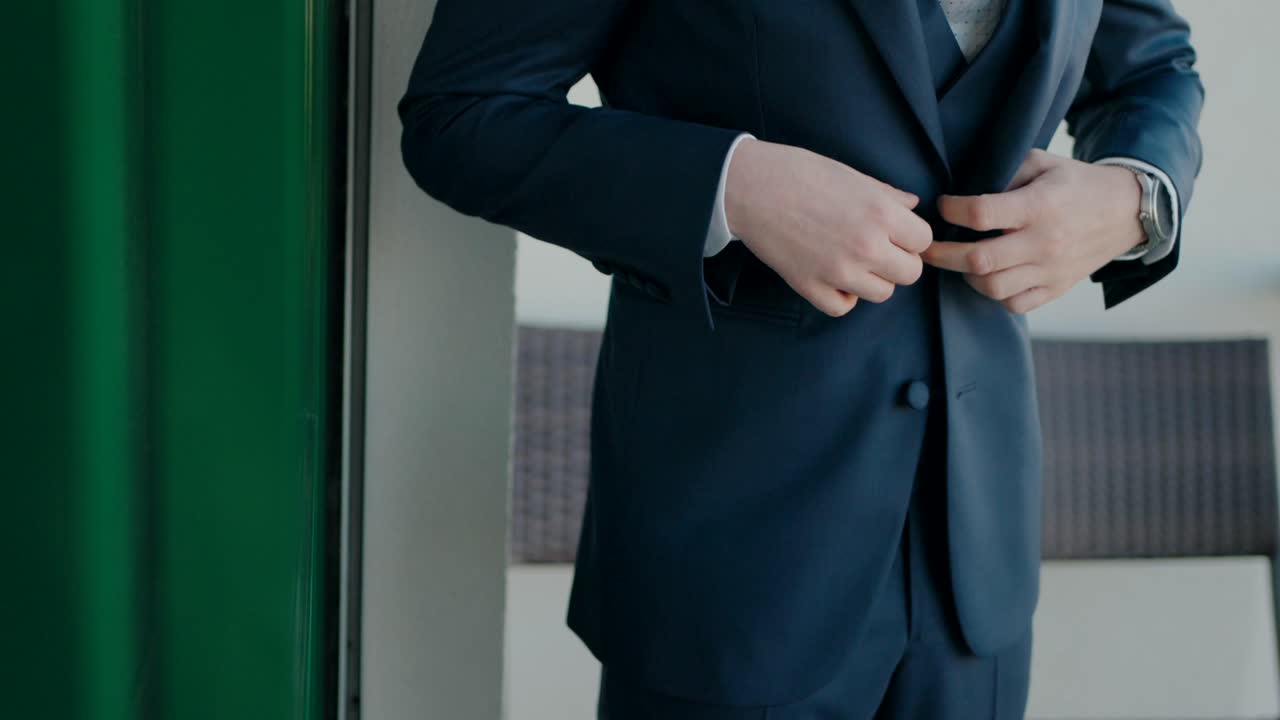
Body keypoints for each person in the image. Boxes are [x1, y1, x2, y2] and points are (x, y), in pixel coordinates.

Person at [399, 0, 1203, 717]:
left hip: (977, 558)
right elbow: (464, 111)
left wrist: (1133, 198)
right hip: (731, 559)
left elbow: (1152, 69)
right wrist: (734, 187)